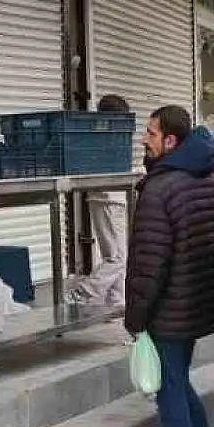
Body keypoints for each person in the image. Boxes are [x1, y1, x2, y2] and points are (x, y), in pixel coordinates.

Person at [124, 106, 214, 427]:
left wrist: (136, 316)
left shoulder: (160, 188)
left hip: (168, 307)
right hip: (197, 302)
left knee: (169, 390)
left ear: (170, 141)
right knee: (178, 381)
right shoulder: (210, 181)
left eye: (150, 134)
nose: (143, 141)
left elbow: (150, 263)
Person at [68, 94, 131, 307]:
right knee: (117, 258)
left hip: (104, 198)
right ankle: (81, 294)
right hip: (109, 199)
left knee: (118, 256)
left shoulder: (96, 133)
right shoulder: (109, 135)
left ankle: (118, 304)